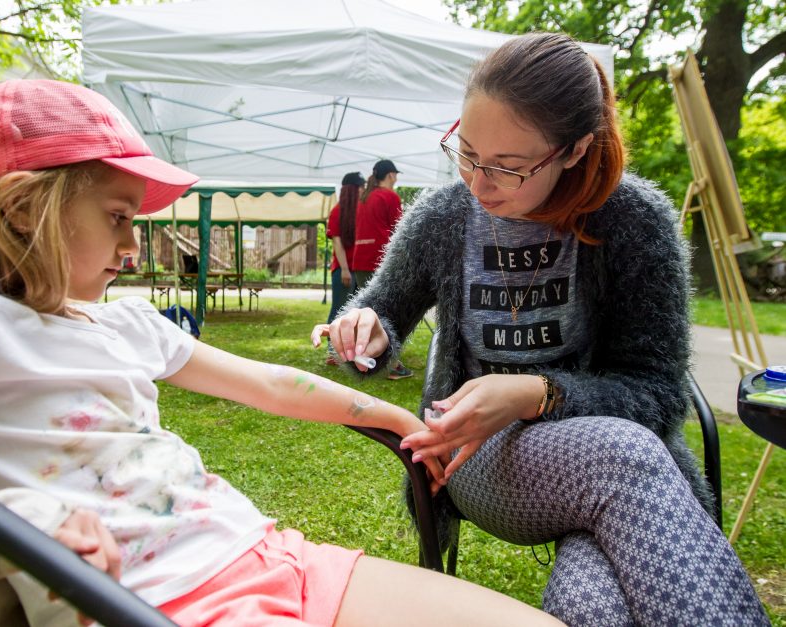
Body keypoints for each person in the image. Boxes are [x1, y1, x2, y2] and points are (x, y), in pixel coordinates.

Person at [0, 79, 562, 627]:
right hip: (153, 602)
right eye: (120, 217)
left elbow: (275, 385)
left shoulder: (124, 322)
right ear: (22, 208)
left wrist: (396, 417)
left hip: (267, 553)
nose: (132, 247)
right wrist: (7, 524)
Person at [313, 33, 769, 625]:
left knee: (592, 606)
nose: (479, 183)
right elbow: (386, 307)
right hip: (476, 458)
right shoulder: (445, 216)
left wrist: (538, 395)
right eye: (467, 151)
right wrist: (367, 328)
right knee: (626, 456)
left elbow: (658, 398)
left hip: (609, 466)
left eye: (508, 167)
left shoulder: (635, 222)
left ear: (576, 150)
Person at [350, 159, 412, 380]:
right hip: (380, 260)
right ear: (391, 175)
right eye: (395, 175)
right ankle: (391, 364)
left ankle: (360, 356)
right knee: (388, 312)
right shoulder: (390, 197)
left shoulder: (364, 198)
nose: (396, 179)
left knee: (366, 311)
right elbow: (400, 232)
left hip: (360, 259)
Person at [325, 172, 363, 363]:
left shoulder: (361, 210)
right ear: (353, 189)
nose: (364, 189)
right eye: (361, 186)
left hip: (357, 268)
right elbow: (337, 244)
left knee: (355, 312)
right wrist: (346, 269)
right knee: (339, 310)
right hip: (344, 269)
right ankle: (332, 351)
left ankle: (350, 351)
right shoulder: (337, 212)